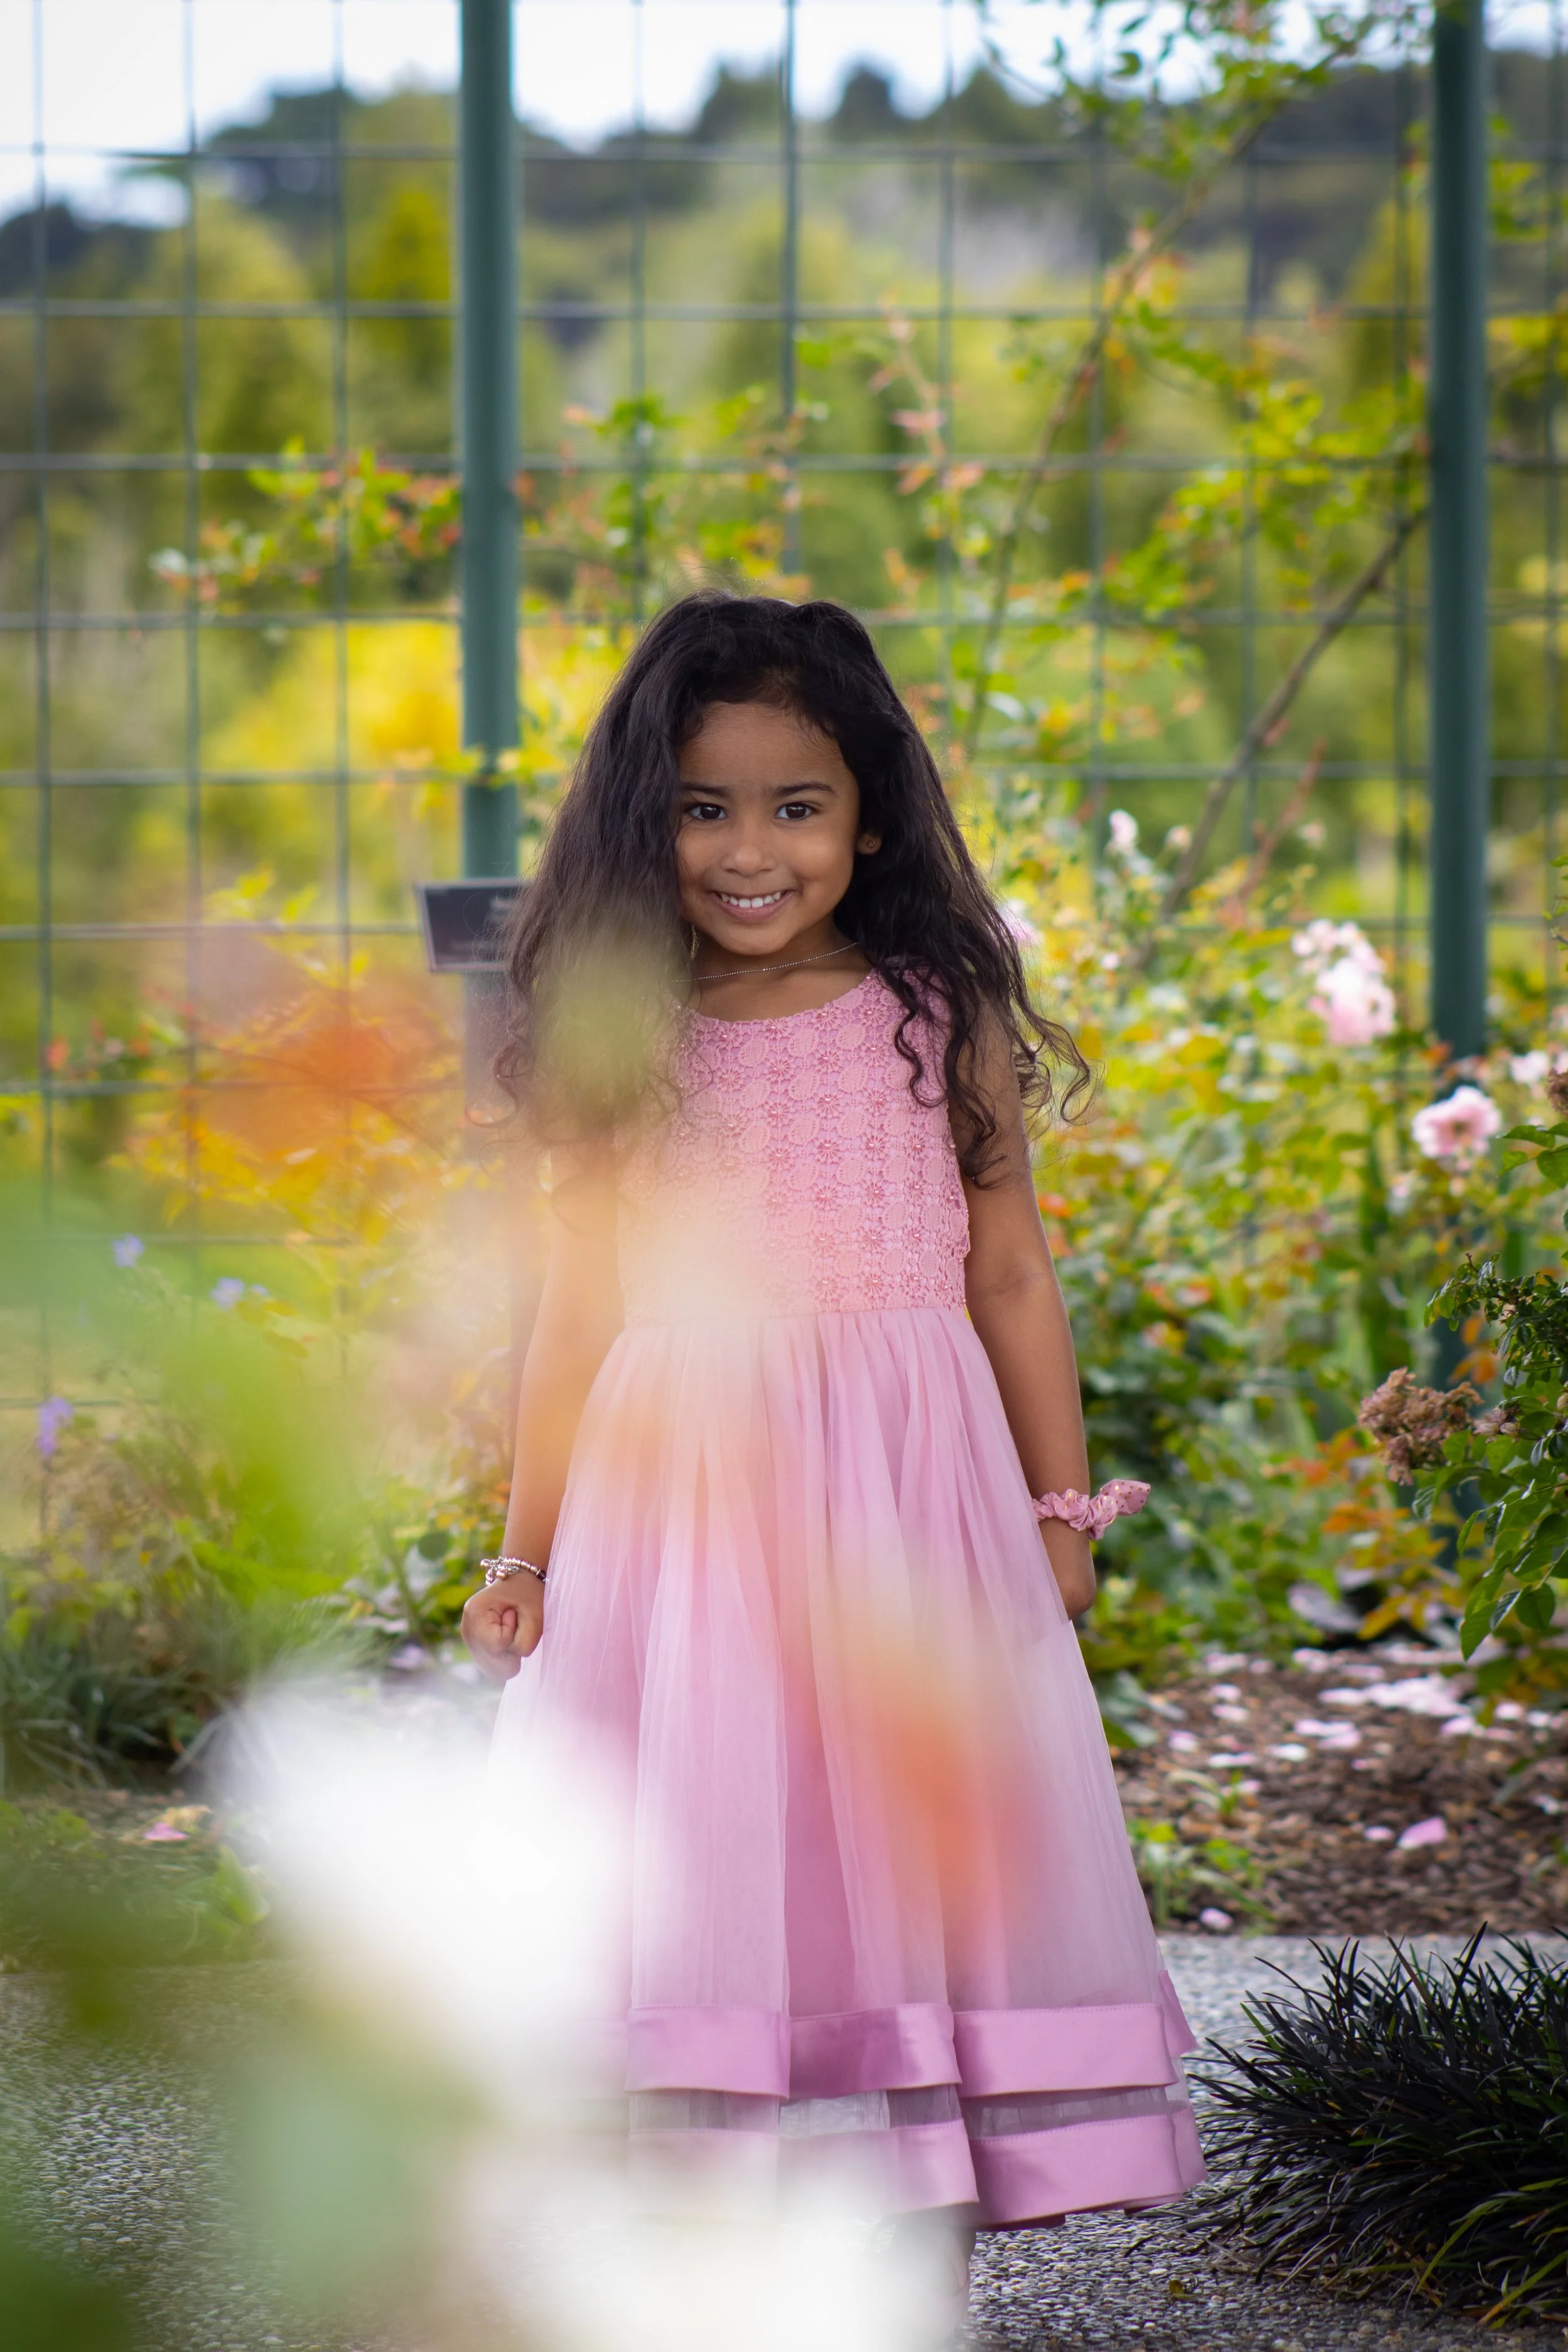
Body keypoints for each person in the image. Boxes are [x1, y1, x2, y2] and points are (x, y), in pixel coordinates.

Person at [462, 593, 1204, 2316]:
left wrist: (1055, 1505)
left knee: (903, 1857)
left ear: (867, 811)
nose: (747, 847)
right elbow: (569, 1312)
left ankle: (908, 2265)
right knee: (704, 1868)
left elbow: (1009, 1270)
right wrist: (525, 1550)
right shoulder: (623, 1032)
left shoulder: (934, 1010)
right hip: (685, 1516)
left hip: (903, 1509)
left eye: (793, 804)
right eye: (702, 807)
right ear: (643, 824)